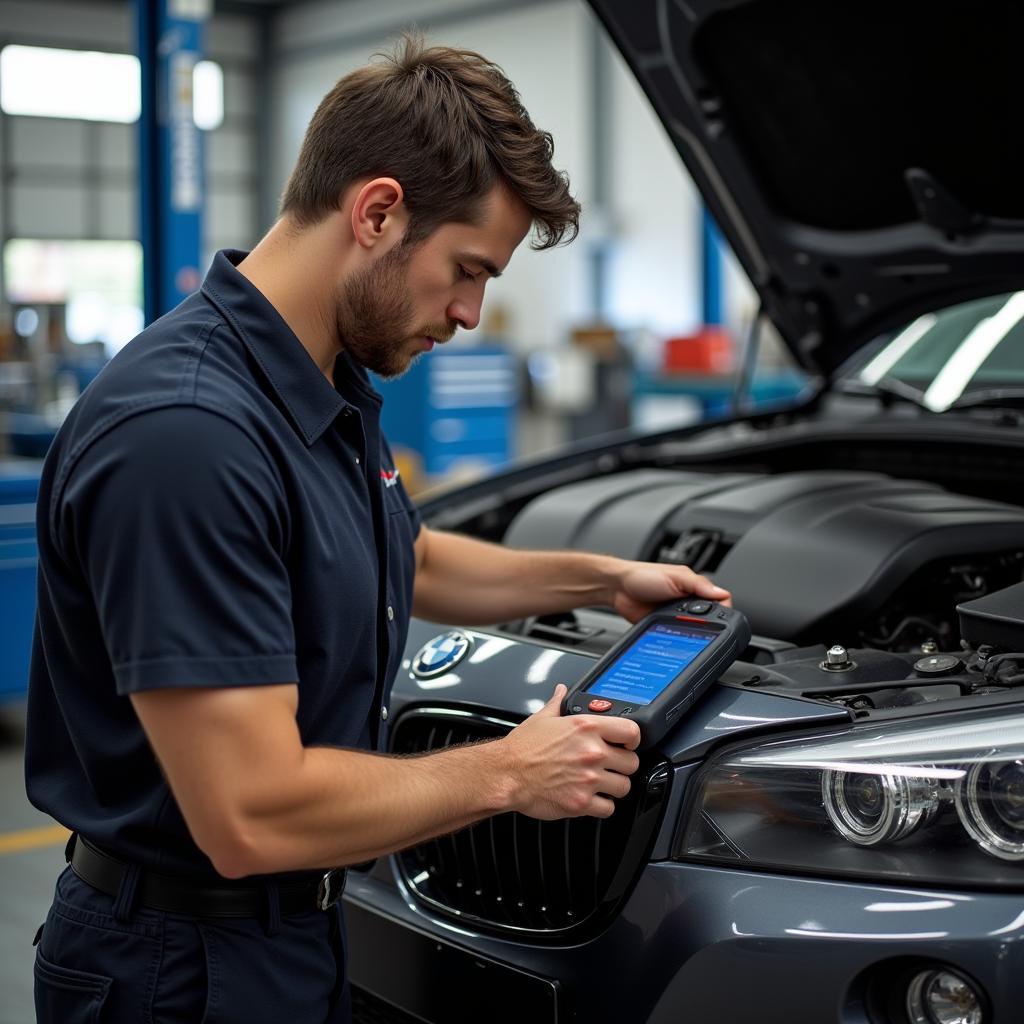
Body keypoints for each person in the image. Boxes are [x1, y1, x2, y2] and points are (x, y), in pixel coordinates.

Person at [26, 36, 730, 1024]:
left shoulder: (319, 385)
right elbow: (251, 811)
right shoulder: (186, 436)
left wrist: (598, 580)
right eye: (467, 269)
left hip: (290, 932)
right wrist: (509, 772)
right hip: (179, 968)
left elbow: (403, 554)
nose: (473, 313)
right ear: (377, 212)